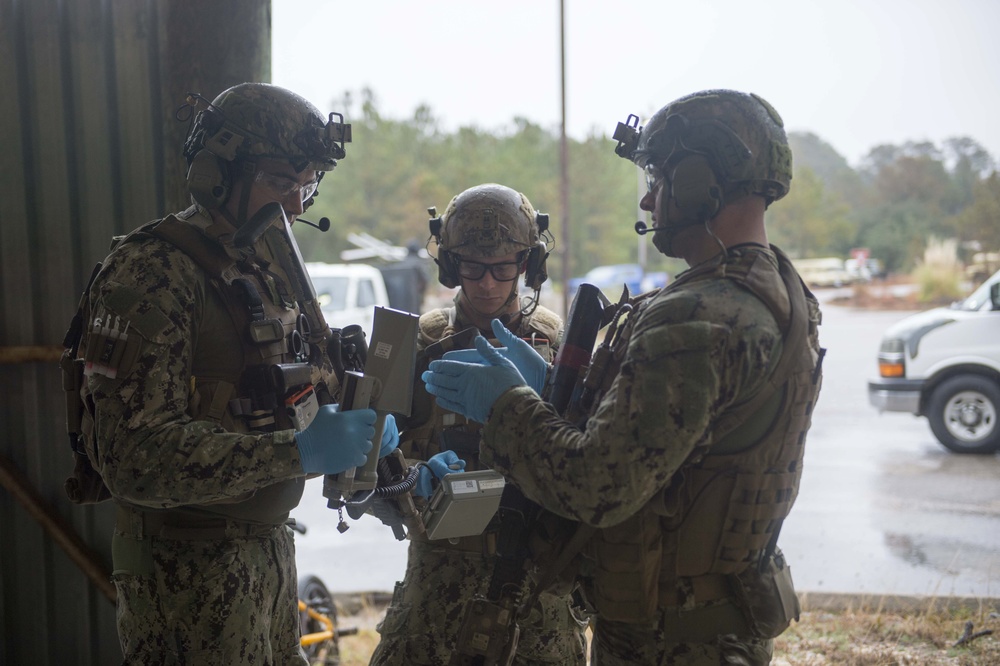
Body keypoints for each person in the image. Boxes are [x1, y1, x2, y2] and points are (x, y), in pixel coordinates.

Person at [422, 90, 825, 665]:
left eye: (658, 180)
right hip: (711, 621)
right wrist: (565, 397)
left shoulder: (697, 314)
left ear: (697, 182)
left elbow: (595, 486)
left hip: (669, 640)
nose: (648, 197)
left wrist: (509, 404)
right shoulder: (777, 288)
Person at [70, 82, 398, 664]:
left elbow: (295, 392)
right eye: (280, 182)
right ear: (214, 175)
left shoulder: (262, 270)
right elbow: (133, 457)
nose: (297, 205)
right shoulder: (152, 272)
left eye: (309, 184)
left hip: (265, 558)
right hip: (184, 577)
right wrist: (295, 454)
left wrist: (357, 428)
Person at [368, 184, 589, 665]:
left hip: (539, 595)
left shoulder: (560, 344)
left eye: (503, 267)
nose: (488, 283)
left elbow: (590, 461)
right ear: (450, 266)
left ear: (527, 264)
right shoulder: (419, 341)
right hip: (439, 588)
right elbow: (363, 472)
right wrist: (408, 477)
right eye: (472, 266)